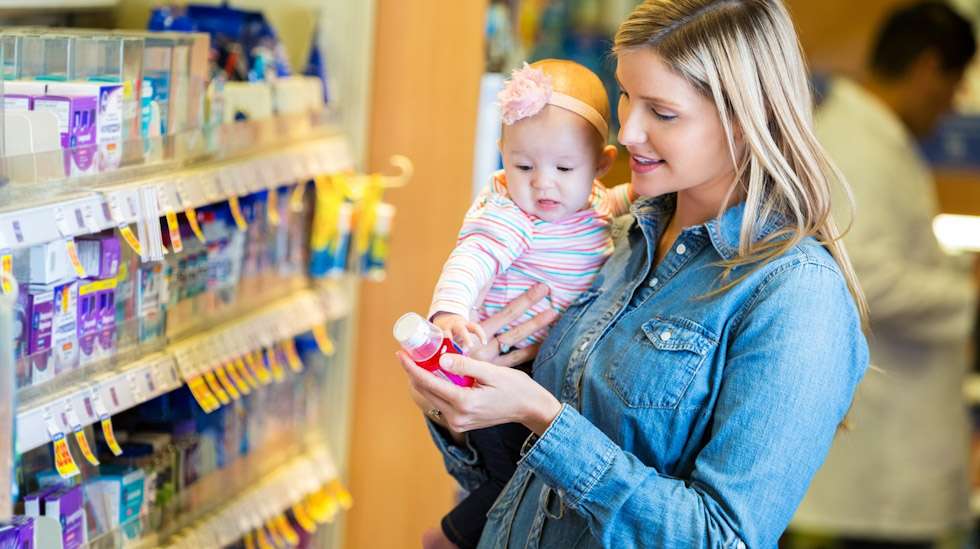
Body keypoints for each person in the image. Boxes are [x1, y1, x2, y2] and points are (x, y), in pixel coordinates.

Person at [401, 0, 870, 546]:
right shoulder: (613, 240)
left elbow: (721, 538)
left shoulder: (796, 295)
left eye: (663, 113)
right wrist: (462, 400)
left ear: (747, 121)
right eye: (625, 95)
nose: (627, 134)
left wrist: (544, 418)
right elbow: (514, 484)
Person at [790, 3, 978, 547]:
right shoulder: (856, 148)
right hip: (869, 470)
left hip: (881, 462)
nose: (956, 100)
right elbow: (865, 276)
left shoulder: (872, 139)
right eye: (956, 80)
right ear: (927, 69)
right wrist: (965, 294)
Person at [422, 59, 631, 549]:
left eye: (563, 168)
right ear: (502, 156)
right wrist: (450, 311)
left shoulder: (592, 202)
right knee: (518, 479)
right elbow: (471, 258)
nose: (542, 184)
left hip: (535, 373)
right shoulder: (512, 215)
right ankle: (447, 539)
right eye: (522, 166)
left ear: (600, 164)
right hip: (497, 377)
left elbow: (623, 200)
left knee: (532, 474)